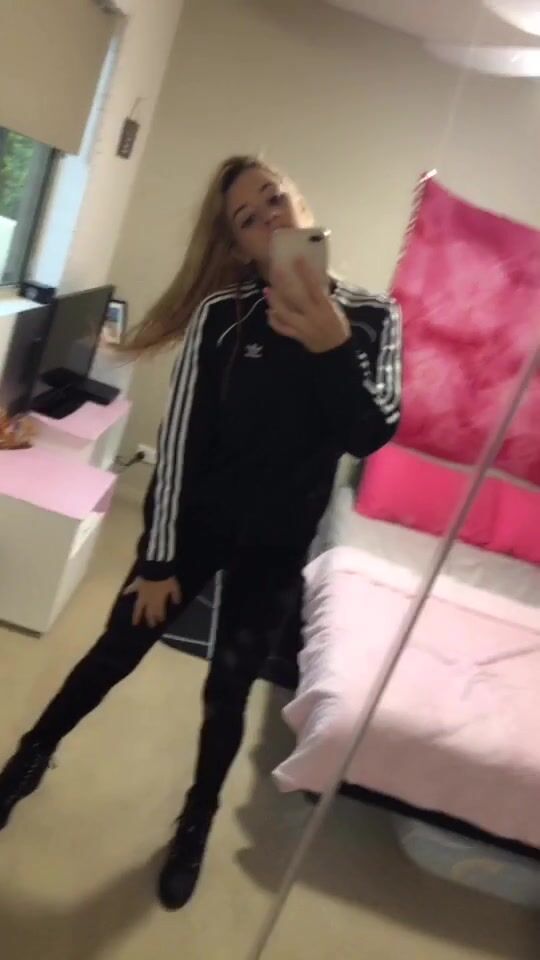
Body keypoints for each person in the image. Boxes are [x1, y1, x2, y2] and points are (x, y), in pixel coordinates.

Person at [0, 156, 401, 910]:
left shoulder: (375, 315)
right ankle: (28, 757)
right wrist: (157, 561)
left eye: (274, 198)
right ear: (239, 245)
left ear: (298, 198)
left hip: (279, 546)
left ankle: (196, 821)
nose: (269, 217)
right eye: (249, 218)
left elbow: (371, 431)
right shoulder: (224, 315)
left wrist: (332, 343)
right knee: (113, 652)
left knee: (229, 691)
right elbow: (181, 440)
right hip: (193, 530)